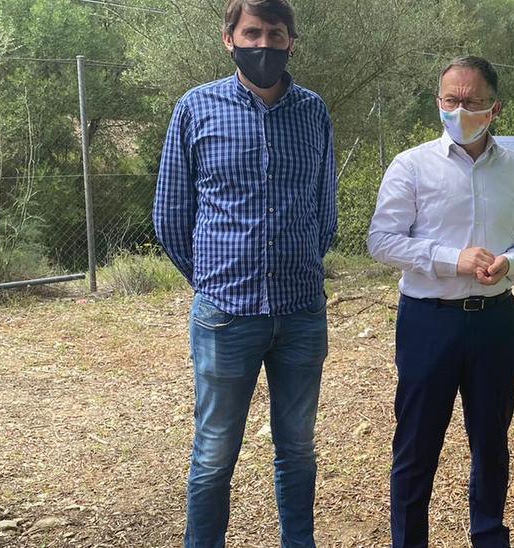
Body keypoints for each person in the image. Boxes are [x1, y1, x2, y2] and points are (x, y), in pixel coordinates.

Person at [153, 0, 336, 546]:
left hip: (301, 313)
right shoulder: (195, 108)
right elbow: (171, 215)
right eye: (252, 32)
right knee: (213, 454)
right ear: (229, 38)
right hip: (225, 317)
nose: (263, 44)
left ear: (291, 42)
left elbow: (325, 210)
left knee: (298, 449)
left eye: (275, 34)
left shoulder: (313, 111)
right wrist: (214, 280)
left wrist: (299, 265)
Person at [368, 56, 514, 548]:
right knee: (416, 444)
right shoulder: (412, 164)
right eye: (451, 100)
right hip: (429, 319)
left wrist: (511, 262)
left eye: (472, 102)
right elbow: (382, 240)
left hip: (495, 320)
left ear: (495, 107)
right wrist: (453, 259)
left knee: (491, 442)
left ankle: (489, 536)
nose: (461, 110)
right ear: (438, 102)